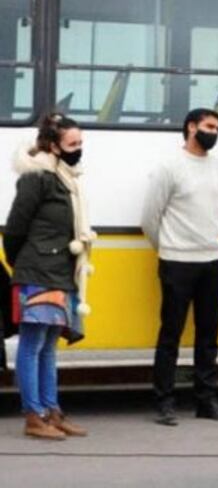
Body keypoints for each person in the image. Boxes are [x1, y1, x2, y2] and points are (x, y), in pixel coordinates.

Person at [142, 108, 218, 426]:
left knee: (209, 336)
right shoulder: (170, 167)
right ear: (191, 127)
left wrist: (210, 241)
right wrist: (168, 247)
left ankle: (206, 401)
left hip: (213, 262)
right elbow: (150, 218)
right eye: (209, 126)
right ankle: (164, 402)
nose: (215, 132)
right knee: (171, 335)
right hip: (176, 262)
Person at [3, 113, 93, 439]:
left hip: (60, 273)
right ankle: (34, 415)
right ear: (53, 146)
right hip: (38, 270)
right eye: (72, 144)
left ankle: (52, 411)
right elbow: (14, 230)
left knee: (50, 346)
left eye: (81, 143)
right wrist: (23, 264)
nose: (78, 149)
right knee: (33, 344)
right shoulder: (37, 178)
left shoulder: (66, 179)